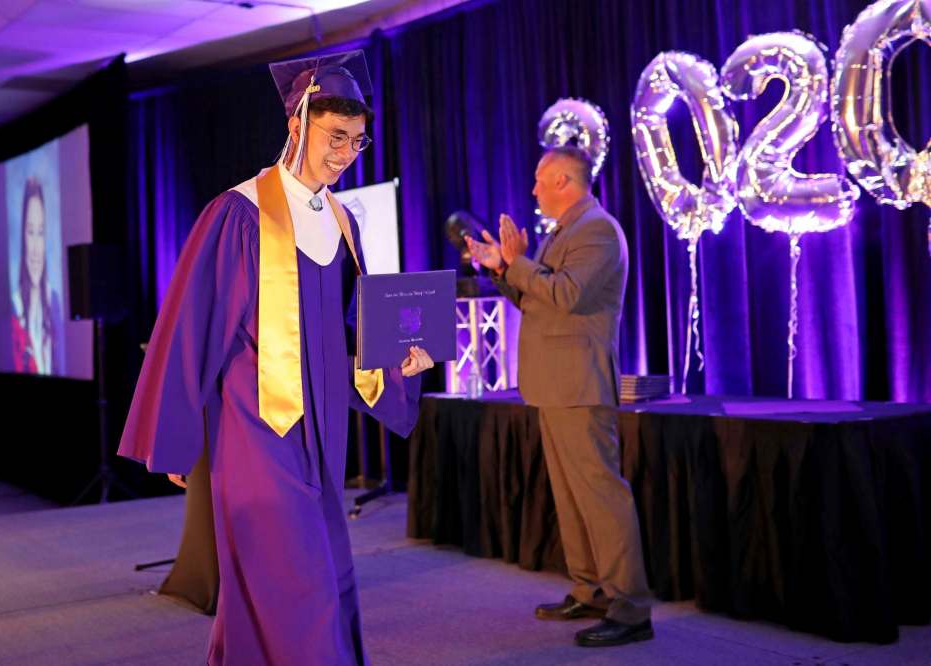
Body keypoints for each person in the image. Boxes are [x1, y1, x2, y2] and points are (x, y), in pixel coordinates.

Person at [118, 50, 434, 665]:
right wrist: (178, 439)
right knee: (300, 582)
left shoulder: (344, 222)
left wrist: (400, 364)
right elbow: (190, 329)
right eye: (335, 136)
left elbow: (351, 337)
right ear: (297, 122)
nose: (345, 153)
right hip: (257, 429)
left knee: (295, 580)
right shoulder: (237, 213)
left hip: (322, 435)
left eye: (358, 142)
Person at [466, 146, 654, 647]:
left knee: (600, 496)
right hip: (554, 383)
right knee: (571, 497)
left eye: (539, 181)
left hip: (579, 383)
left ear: (565, 180)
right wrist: (503, 269)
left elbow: (569, 294)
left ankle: (631, 607)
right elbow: (536, 298)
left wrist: (519, 263)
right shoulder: (563, 232)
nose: (533, 190)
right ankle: (589, 588)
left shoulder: (597, 229)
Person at [11, 177, 61, 375]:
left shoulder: (53, 301)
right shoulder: (14, 307)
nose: (35, 249)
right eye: (30, 232)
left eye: (40, 233)